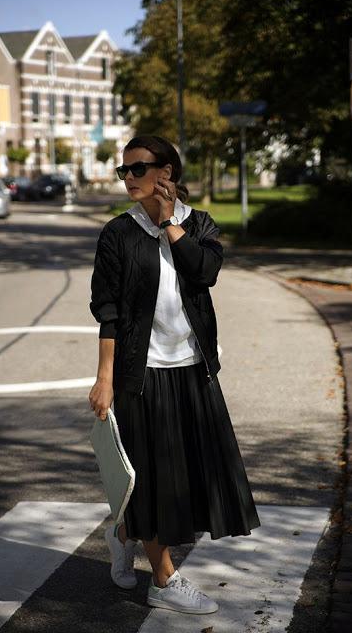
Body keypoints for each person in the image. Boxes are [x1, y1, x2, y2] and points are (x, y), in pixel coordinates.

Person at [89, 135, 260, 615]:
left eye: (138, 169)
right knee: (152, 479)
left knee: (185, 475)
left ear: (167, 171)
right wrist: (105, 378)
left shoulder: (199, 223)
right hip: (140, 373)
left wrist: (168, 224)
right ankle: (163, 580)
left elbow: (204, 272)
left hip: (193, 367)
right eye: (123, 171)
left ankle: (125, 533)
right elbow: (109, 310)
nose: (129, 179)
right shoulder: (117, 233)